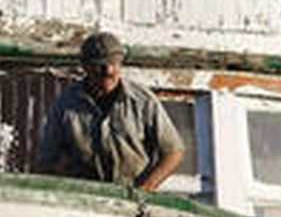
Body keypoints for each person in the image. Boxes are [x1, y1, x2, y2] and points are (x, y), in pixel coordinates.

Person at [36, 31, 184, 191]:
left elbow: (173, 152)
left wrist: (146, 187)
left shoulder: (143, 101)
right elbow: (47, 161)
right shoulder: (65, 104)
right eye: (100, 65)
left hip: (133, 199)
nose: (109, 70)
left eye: (114, 63)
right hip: (86, 200)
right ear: (85, 67)